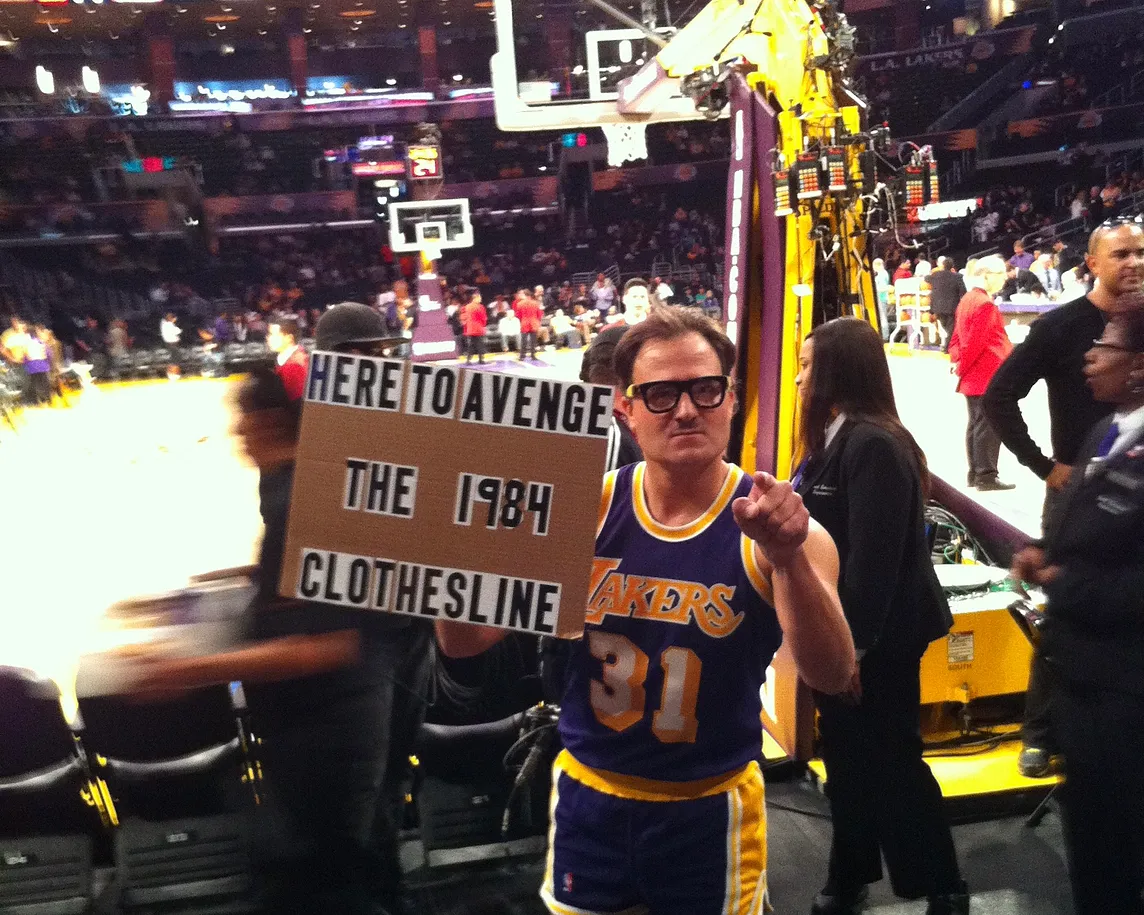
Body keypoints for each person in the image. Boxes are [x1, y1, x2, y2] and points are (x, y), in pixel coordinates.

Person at [436, 308, 856, 915]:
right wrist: (444, 560)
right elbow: (467, 642)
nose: (685, 410)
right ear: (624, 408)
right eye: (660, 394)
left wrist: (788, 560)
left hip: (709, 807)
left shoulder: (777, 526)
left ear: (731, 399)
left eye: (704, 389)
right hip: (591, 795)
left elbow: (833, 675)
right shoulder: (584, 510)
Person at [132, 305, 434, 915]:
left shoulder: (318, 476)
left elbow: (328, 637)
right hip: (348, 692)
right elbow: (298, 572)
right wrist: (208, 590)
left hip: (357, 696)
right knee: (360, 843)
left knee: (348, 856)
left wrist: (184, 670)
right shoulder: (307, 467)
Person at [794, 318, 968, 915]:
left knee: (893, 761)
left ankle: (943, 884)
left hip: (879, 641)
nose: (798, 376)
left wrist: (854, 653)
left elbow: (876, 562)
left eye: (808, 365)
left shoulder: (873, 444)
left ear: (839, 370)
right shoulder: (833, 440)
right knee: (845, 761)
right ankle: (850, 875)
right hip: (842, 638)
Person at [984, 219, 1142, 777]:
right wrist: (1045, 467)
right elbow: (1000, 395)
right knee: (1065, 616)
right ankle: (1043, 731)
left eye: (1142, 253)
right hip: (1080, 494)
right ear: (1092, 264)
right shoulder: (1062, 327)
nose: (1135, 263)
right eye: (1121, 254)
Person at [1011, 305, 1144, 915]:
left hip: (1127, 692)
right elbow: (1082, 531)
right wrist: (1044, 552)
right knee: (1093, 852)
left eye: (1106, 346)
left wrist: (1066, 582)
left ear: (1140, 366)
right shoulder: (1103, 432)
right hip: (1082, 685)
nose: (1089, 356)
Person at [949, 256, 1015, 491]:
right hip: (985, 373)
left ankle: (975, 473)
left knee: (976, 424)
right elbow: (976, 344)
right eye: (1000, 275)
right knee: (987, 425)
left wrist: (958, 362)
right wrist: (963, 366)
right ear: (987, 276)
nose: (1004, 279)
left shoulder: (967, 300)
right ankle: (986, 475)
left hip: (973, 375)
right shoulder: (984, 304)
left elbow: (956, 339)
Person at [925, 257, 966, 354]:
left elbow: (926, 278)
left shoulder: (935, 275)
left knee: (947, 328)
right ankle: (947, 347)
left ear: (942, 265)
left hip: (937, 307)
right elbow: (963, 292)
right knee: (950, 329)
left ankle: (947, 346)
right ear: (952, 266)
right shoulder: (957, 277)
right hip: (951, 308)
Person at [266, 317, 307, 402]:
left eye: (273, 334)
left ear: (289, 338)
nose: (268, 338)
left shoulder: (294, 366)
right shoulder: (285, 360)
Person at [461, 291, 488, 364]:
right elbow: (483, 317)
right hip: (478, 327)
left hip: (470, 328)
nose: (481, 299)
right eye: (479, 298)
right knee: (480, 344)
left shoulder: (466, 306)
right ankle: (481, 359)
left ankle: (468, 360)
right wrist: (484, 325)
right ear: (475, 298)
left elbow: (463, 317)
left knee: (471, 345)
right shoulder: (480, 307)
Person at [515, 288, 541, 360]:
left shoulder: (519, 304)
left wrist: (522, 320)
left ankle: (522, 356)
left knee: (524, 340)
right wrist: (537, 320)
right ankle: (533, 355)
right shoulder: (535, 303)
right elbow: (539, 314)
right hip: (534, 322)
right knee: (533, 340)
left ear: (525, 295)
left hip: (524, 322)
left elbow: (518, 315)